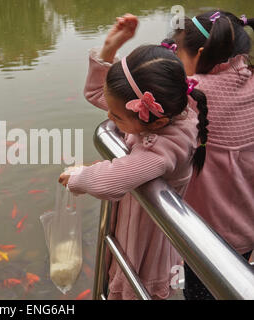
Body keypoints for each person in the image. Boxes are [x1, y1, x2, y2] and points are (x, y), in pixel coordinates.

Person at [58, 14, 209, 300]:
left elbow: (112, 181)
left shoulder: (166, 146)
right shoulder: (164, 109)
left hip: (145, 243)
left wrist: (78, 178)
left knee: (134, 290)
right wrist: (109, 48)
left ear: (155, 124)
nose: (108, 117)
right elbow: (95, 92)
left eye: (115, 117)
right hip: (131, 226)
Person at [163, 10, 254, 300]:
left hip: (205, 235)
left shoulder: (190, 94)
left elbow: (123, 102)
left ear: (200, 53)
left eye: (179, 54)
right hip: (248, 227)